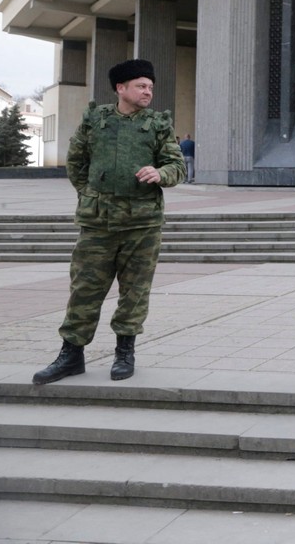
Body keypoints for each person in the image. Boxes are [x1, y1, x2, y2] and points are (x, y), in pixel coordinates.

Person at [33, 59, 185, 384]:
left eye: (150, 87)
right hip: (97, 223)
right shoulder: (95, 119)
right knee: (84, 289)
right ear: (121, 88)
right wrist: (89, 194)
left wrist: (161, 173)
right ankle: (71, 355)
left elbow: (177, 165)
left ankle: (124, 353)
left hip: (142, 225)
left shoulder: (158, 125)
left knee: (135, 291)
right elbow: (76, 160)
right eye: (141, 86)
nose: (148, 92)